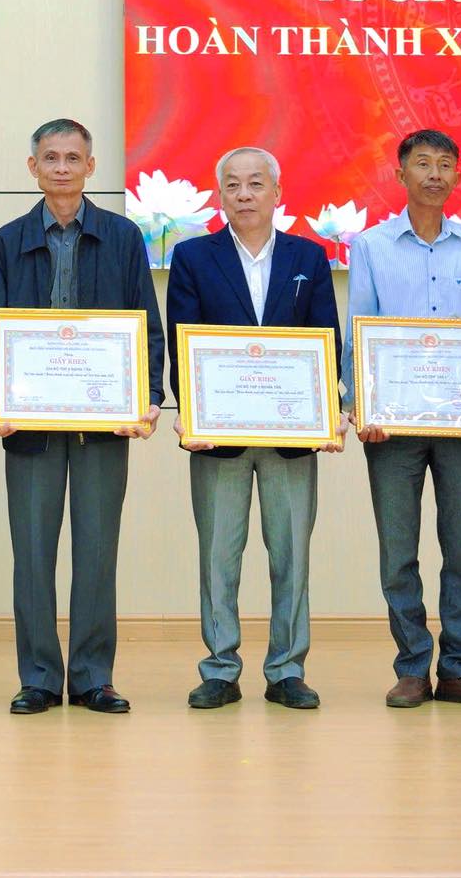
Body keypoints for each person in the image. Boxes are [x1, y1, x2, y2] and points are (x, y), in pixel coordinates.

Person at [0, 119, 163, 715]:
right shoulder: (6, 241)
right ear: (33, 167)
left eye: (72, 158)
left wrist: (149, 396)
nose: (62, 168)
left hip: (104, 423)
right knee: (32, 553)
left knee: (97, 550)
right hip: (27, 423)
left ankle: (91, 677)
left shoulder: (123, 237)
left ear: (91, 166)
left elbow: (146, 323)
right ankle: (37, 676)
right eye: (51, 158)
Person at [343, 128, 461, 710]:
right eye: (422, 163)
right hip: (390, 426)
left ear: (457, 176)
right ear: (400, 174)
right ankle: (411, 669)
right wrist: (358, 404)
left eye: (445, 164)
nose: (434, 174)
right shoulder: (371, 246)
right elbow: (357, 330)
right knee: (398, 552)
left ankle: (459, 668)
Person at [166, 146, 343, 711]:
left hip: (292, 437)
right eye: (233, 185)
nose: (244, 194)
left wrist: (327, 412)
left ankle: (287, 669)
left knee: (292, 556)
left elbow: (326, 341)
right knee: (218, 556)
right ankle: (220, 668)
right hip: (218, 436)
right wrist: (192, 413)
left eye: (256, 183)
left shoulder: (308, 257)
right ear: (220, 195)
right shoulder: (193, 257)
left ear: (277, 191)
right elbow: (182, 342)